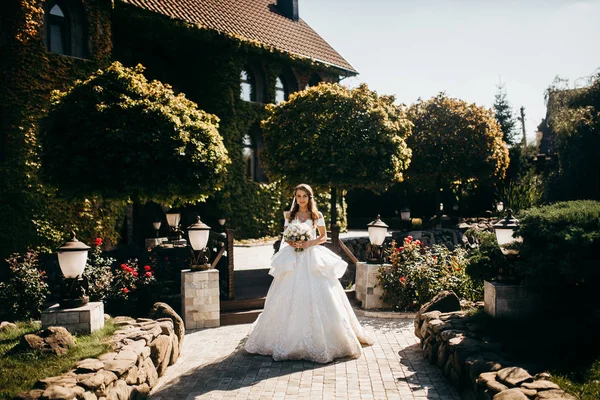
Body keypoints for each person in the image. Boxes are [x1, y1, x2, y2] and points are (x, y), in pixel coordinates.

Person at [244, 183, 373, 363]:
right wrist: (292, 243)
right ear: (295, 198)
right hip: (293, 259)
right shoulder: (290, 216)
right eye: (298, 196)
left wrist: (307, 243)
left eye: (304, 196)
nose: (301, 199)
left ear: (310, 197)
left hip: (311, 256)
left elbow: (323, 237)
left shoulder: (316, 215)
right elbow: (285, 236)